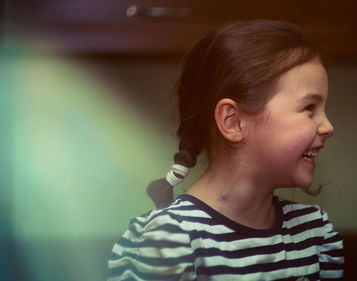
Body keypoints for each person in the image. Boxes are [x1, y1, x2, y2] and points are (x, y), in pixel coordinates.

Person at [107, 20, 344, 281]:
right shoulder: (169, 241)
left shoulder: (313, 232)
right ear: (233, 122)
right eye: (309, 108)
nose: (328, 127)